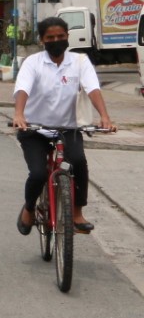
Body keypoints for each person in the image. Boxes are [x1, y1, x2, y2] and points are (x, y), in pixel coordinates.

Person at [13, 16, 116, 236]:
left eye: (61, 36)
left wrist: (105, 117)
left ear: (68, 37)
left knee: (78, 161)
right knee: (39, 173)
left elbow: (92, 88)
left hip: (69, 128)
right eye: (50, 37)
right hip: (34, 129)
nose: (56, 40)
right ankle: (29, 208)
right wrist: (19, 114)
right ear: (42, 40)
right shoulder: (33, 62)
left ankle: (77, 213)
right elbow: (23, 89)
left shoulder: (80, 61)